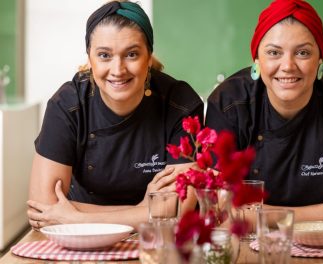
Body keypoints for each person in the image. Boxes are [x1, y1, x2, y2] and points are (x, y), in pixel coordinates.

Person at [205, 0, 323, 225]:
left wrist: (255, 215)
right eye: (274, 52)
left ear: (320, 59)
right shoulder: (229, 103)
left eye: (302, 52)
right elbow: (218, 210)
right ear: (257, 60)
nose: (288, 65)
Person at [27, 0, 203, 229]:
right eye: (104, 55)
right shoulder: (68, 104)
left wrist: (77, 217)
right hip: (79, 239)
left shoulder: (180, 103)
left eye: (131, 54)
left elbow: (178, 210)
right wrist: (145, 211)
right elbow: (42, 209)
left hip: (154, 240)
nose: (118, 70)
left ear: (148, 57)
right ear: (89, 58)